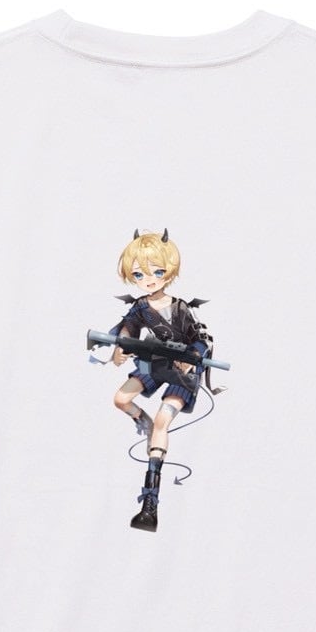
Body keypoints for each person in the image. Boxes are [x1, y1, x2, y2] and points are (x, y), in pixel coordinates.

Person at [108, 228, 214, 531]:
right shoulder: (141, 306)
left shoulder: (181, 308)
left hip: (182, 369)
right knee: (121, 399)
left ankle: (149, 503)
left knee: (163, 420)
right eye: (139, 274)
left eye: (156, 271)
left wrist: (191, 359)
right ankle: (144, 424)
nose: (149, 279)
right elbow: (128, 327)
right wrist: (120, 347)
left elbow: (201, 340)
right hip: (154, 362)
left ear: (169, 270)